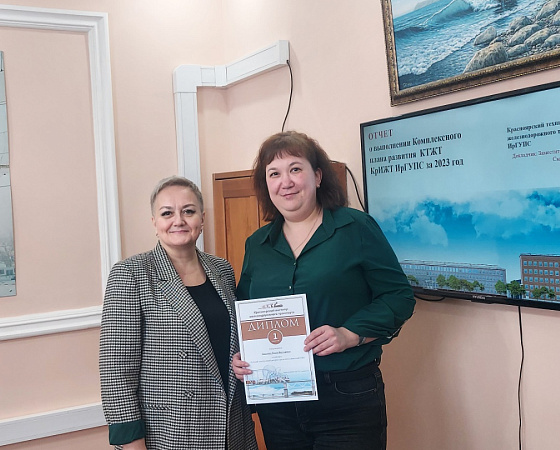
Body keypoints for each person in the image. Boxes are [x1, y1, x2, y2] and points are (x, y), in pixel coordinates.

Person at [232, 131, 416, 450]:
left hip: (346, 397)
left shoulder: (356, 228)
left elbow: (399, 297)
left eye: (295, 169)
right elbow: (245, 310)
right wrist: (244, 355)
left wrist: (350, 334)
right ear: (266, 185)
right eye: (274, 173)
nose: (285, 182)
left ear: (317, 176)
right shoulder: (257, 245)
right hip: (278, 403)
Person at [100, 176, 258, 450]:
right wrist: (132, 444)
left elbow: (229, 342)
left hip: (232, 426)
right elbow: (116, 372)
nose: (179, 220)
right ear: (154, 222)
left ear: (202, 218)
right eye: (167, 213)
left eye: (188, 211)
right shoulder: (131, 274)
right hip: (172, 432)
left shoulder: (222, 269)